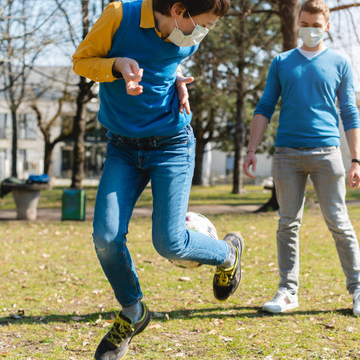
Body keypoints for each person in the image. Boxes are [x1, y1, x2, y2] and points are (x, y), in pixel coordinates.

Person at [72, 1, 244, 359]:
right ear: (179, 10)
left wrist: (178, 79)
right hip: (122, 147)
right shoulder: (120, 15)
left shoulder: (188, 34)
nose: (204, 33)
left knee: (170, 243)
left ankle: (228, 254)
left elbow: (167, 60)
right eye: (205, 24)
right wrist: (116, 66)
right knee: (105, 237)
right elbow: (81, 60)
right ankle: (134, 312)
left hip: (172, 144)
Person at [243, 0, 360, 318]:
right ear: (298, 23)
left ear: (326, 26)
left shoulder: (340, 63)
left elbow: (350, 112)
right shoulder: (282, 62)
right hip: (286, 155)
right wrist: (251, 150)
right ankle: (288, 292)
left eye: (316, 25)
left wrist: (356, 159)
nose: (310, 30)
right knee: (287, 224)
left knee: (340, 224)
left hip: (327, 154)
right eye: (305, 24)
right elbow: (264, 106)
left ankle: (359, 293)